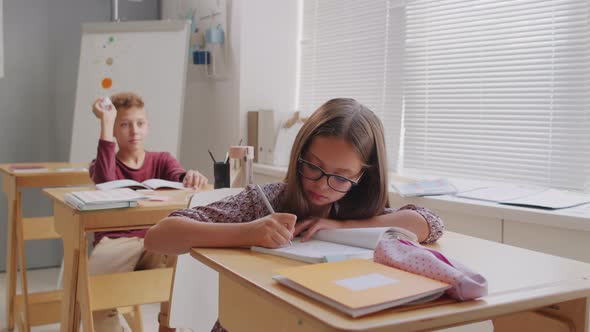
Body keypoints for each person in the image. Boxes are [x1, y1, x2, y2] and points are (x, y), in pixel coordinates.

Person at [145, 98, 444, 332]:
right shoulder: (268, 200)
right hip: (252, 322)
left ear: (363, 178)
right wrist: (248, 232)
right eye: (312, 166)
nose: (320, 185)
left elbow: (428, 224)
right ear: (299, 154)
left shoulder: (358, 209)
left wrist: (341, 226)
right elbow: (159, 236)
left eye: (341, 178)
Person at [88, 91, 208, 332]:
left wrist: (190, 176)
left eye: (140, 123)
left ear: (148, 127)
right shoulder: (102, 164)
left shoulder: (162, 159)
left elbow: (180, 176)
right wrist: (106, 122)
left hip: (155, 238)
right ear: (113, 129)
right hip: (115, 242)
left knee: (189, 260)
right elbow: (103, 183)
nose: (134, 131)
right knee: (95, 296)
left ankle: (169, 326)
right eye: (124, 125)